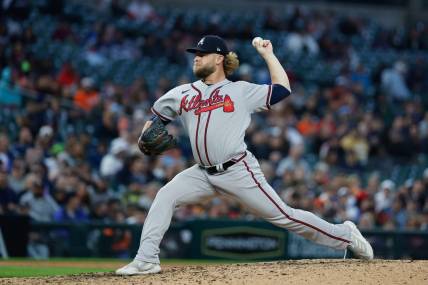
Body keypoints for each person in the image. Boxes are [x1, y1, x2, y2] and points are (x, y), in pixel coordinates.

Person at [116, 35, 373, 275]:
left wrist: (268, 55)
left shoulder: (240, 91)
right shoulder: (182, 93)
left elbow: (282, 89)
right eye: (195, 54)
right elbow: (156, 117)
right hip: (202, 173)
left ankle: (346, 235)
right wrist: (143, 135)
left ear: (219, 59)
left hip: (238, 170)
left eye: (202, 54)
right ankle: (146, 259)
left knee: (284, 216)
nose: (196, 57)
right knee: (165, 196)